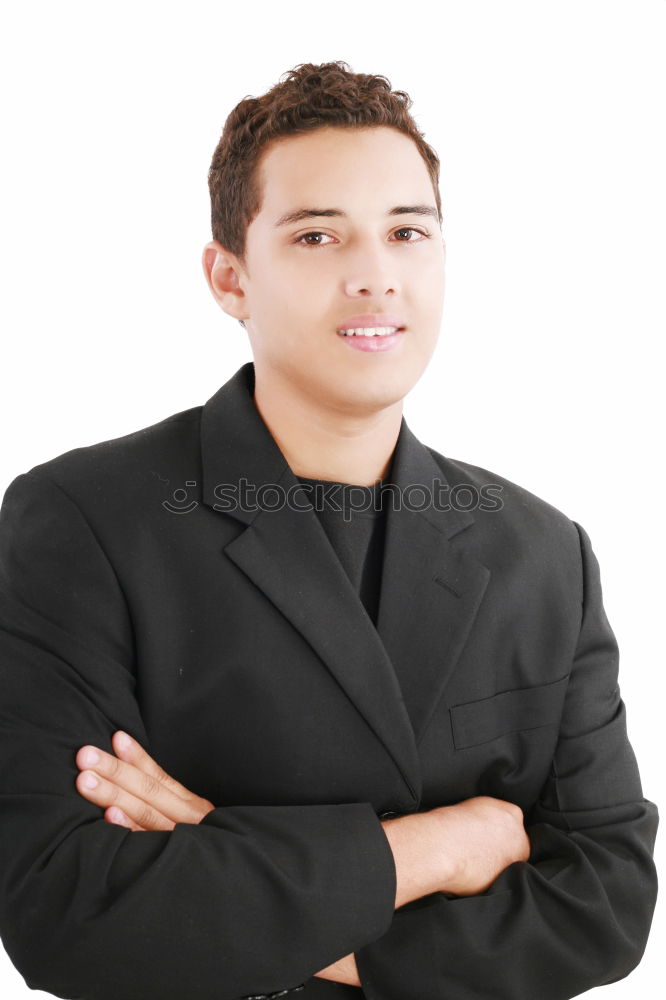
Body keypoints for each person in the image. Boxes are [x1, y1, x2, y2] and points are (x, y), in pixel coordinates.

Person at [0, 60, 658, 1000]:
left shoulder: (544, 554)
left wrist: (235, 874)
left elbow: (607, 905)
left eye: (406, 233)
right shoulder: (84, 520)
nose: (374, 277)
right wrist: (442, 845)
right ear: (230, 277)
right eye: (317, 235)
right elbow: (63, 911)